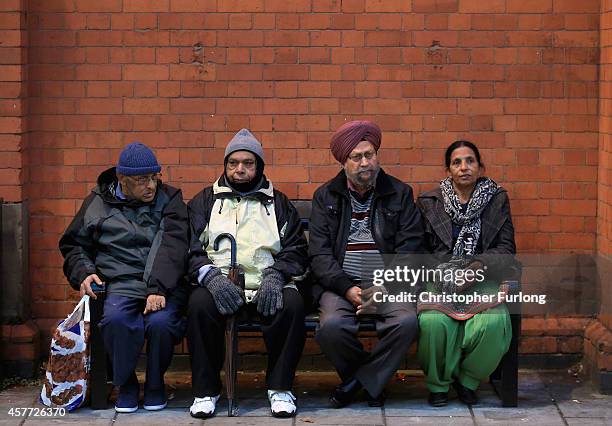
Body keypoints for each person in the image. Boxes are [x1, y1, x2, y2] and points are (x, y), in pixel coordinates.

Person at [59, 142, 189, 413]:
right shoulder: (97, 202)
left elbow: (173, 244)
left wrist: (158, 288)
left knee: (162, 323)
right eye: (142, 180)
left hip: (162, 284)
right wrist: (84, 272)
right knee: (116, 319)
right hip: (119, 283)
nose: (151, 186)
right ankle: (126, 384)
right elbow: (74, 245)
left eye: (154, 177)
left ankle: (155, 384)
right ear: (122, 179)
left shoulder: (170, 199)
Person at [187, 129, 308, 419]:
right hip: (219, 286)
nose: (240, 169)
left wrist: (277, 275)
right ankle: (206, 391)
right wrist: (211, 278)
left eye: (248, 163)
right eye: (233, 163)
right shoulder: (206, 201)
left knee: (292, 306)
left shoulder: (277, 203)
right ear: (225, 165)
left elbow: (296, 250)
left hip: (266, 284)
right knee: (197, 305)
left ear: (259, 166)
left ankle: (280, 388)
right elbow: (189, 248)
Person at [309, 120, 424, 408]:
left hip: (387, 283)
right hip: (341, 284)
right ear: (344, 162)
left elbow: (410, 249)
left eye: (369, 155)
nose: (365, 163)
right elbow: (320, 255)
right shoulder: (326, 196)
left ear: (377, 155)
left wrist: (384, 286)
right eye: (356, 157)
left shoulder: (400, 193)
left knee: (407, 322)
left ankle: (356, 384)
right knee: (331, 328)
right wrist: (348, 289)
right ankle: (372, 381)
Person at [416, 140, 519, 407]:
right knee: (433, 324)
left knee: (493, 323)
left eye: (470, 161)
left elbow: (507, 248)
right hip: (441, 279)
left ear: (480, 166)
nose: (464, 167)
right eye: (457, 162)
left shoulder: (496, 199)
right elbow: (421, 251)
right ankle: (439, 385)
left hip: (483, 277)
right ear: (448, 169)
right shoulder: (430, 202)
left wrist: (476, 267)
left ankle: (468, 381)